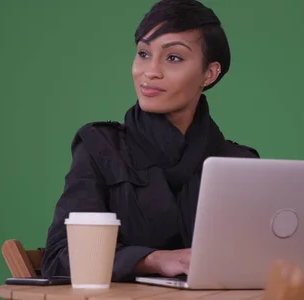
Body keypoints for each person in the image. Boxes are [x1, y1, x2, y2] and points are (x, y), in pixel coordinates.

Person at [41, 0, 260, 282]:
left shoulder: (239, 164)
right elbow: (60, 258)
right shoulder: (100, 147)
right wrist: (153, 260)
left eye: (173, 58)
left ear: (210, 73)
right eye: (144, 53)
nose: (150, 71)